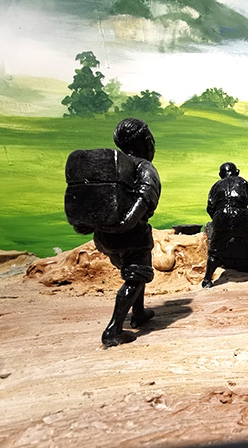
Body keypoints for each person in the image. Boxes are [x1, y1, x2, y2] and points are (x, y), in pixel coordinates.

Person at [73, 118, 161, 347]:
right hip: (132, 234)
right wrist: (125, 223)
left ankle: (139, 313)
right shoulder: (144, 166)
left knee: (135, 271)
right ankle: (114, 329)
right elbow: (145, 196)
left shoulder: (113, 167)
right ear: (146, 141)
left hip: (104, 237)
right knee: (135, 276)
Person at [202, 162, 248, 288]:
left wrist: (218, 222)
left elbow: (210, 208)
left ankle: (207, 280)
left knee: (214, 252)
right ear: (237, 172)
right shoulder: (243, 182)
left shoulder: (216, 186)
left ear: (220, 174)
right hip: (241, 214)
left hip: (221, 215)